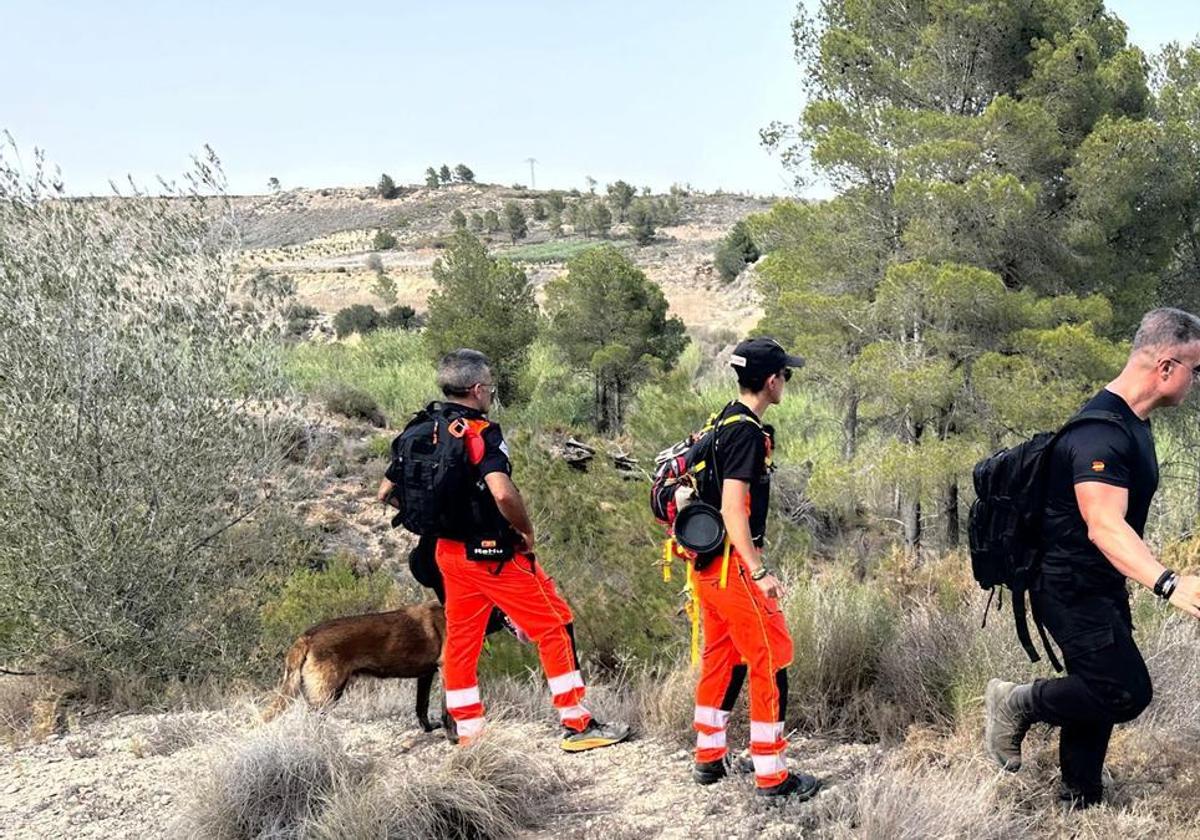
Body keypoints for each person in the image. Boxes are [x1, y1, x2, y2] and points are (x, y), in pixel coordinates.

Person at [985, 307, 1200, 808]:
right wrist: (1168, 583)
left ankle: (1080, 795)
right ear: (1166, 367)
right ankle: (1017, 700)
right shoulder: (1100, 435)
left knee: (1098, 683)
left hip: (1096, 583)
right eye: (1196, 369)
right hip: (1068, 585)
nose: (1197, 380)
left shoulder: (1130, 421)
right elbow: (1104, 525)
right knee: (1124, 691)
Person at [377, 348, 629, 751]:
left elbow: (386, 491)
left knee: (462, 640)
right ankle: (578, 724)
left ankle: (469, 733)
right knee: (555, 625)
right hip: (492, 556)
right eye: (489, 386)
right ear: (477, 389)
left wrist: (437, 517)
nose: (490, 393)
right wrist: (524, 530)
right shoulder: (480, 433)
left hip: (447, 554)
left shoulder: (418, 429)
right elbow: (502, 491)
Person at [690, 337, 820, 799]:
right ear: (771, 381)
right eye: (785, 374)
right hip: (732, 568)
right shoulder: (746, 430)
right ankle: (773, 775)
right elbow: (731, 507)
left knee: (722, 660)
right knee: (771, 659)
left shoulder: (722, 417)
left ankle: (708, 758)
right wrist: (758, 571)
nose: (787, 381)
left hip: (707, 567)